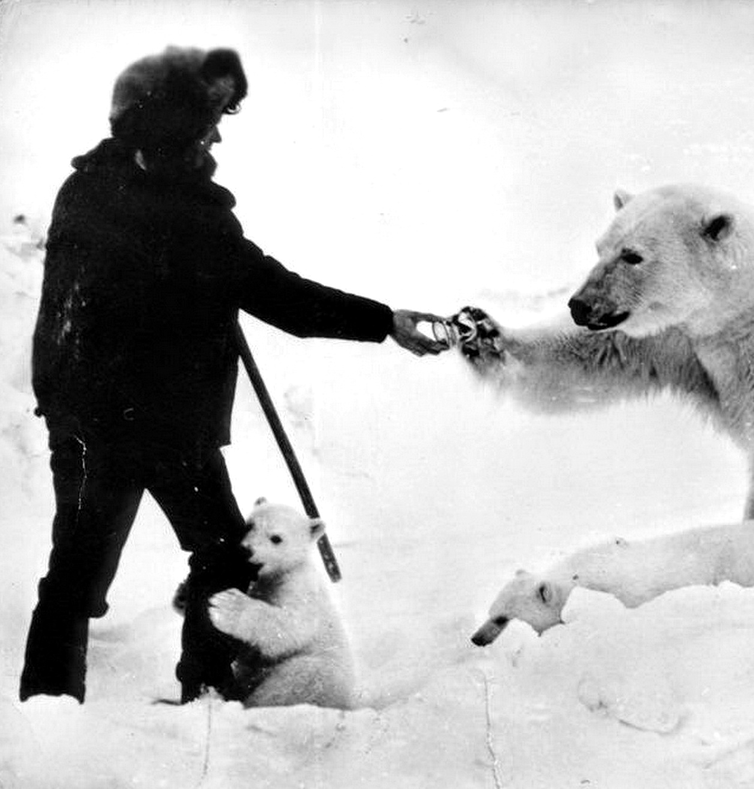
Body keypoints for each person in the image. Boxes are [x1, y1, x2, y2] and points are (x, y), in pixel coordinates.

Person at [20, 46, 448, 704]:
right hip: (112, 429)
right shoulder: (172, 212)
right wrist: (386, 321)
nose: (218, 133)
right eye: (208, 120)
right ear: (167, 125)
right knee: (90, 576)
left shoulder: (128, 197)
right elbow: (277, 297)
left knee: (211, 560)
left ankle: (205, 697)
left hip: (157, 430)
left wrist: (382, 318)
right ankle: (52, 723)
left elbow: (275, 295)